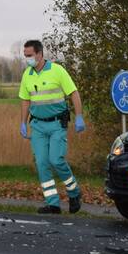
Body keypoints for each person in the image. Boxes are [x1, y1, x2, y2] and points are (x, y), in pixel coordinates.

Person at [18, 39, 86, 214]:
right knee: (42, 163)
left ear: (40, 54)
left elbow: (74, 93)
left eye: (30, 55)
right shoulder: (27, 74)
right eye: (25, 56)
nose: (27, 59)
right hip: (38, 126)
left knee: (56, 160)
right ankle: (53, 203)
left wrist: (79, 117)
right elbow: (25, 100)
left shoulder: (57, 71)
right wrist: (23, 123)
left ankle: (74, 192)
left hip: (56, 124)